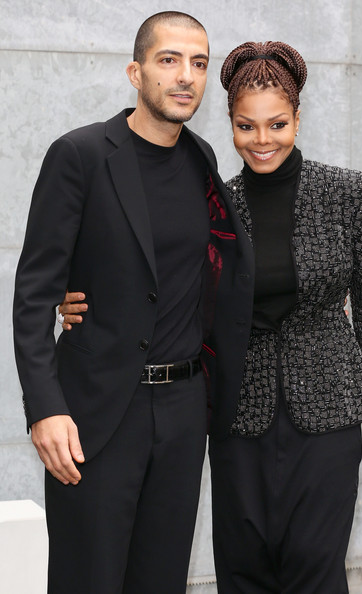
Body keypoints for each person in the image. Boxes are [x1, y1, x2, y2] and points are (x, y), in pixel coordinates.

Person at [59, 41, 362, 593]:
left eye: (276, 124)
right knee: (242, 568)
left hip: (330, 406)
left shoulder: (348, 193)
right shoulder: (217, 202)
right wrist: (77, 297)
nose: (262, 140)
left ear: (298, 117)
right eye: (247, 127)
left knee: (314, 565)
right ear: (230, 124)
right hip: (236, 412)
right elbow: (165, 276)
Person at [12, 12, 254, 594]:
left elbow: (215, 274)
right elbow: (33, 295)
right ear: (135, 71)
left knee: (161, 580)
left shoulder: (202, 162)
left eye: (199, 63)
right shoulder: (80, 155)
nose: (186, 77)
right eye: (169, 60)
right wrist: (45, 407)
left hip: (182, 412)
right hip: (96, 415)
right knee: (87, 578)